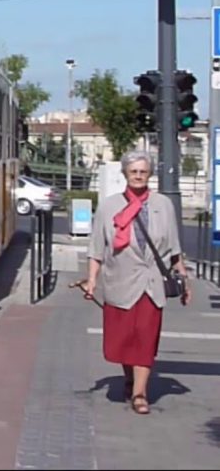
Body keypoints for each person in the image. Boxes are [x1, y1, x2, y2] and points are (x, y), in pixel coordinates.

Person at [83, 149, 192, 415]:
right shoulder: (109, 206)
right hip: (119, 281)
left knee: (145, 338)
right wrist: (91, 280)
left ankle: (140, 394)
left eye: (143, 171)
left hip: (152, 283)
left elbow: (175, 247)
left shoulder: (163, 204)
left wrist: (184, 279)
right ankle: (129, 376)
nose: (139, 176)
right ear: (125, 174)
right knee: (123, 340)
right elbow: (97, 248)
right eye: (134, 172)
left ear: (150, 174)